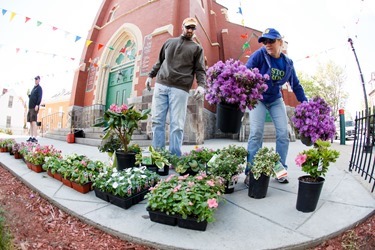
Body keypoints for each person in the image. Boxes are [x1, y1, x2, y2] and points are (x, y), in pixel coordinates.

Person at [244, 28, 308, 185]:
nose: (267, 44)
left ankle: (280, 170)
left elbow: (296, 85)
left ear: (280, 42)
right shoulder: (259, 55)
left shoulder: (287, 63)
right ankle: (251, 171)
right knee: (256, 132)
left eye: (271, 41)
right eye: (265, 41)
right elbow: (245, 71)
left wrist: (306, 104)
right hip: (258, 98)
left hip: (275, 99)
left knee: (283, 133)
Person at [145, 17, 206, 157]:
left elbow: (200, 70)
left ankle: (174, 158)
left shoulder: (197, 48)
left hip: (180, 89)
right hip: (161, 85)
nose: (190, 30)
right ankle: (158, 156)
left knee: (177, 125)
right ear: (182, 26)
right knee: (157, 121)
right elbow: (159, 62)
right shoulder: (169, 42)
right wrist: (150, 76)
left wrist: (201, 85)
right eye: (188, 27)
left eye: (193, 28)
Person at [27, 75, 43, 143]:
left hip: (34, 107)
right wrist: (29, 95)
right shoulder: (34, 88)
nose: (35, 80)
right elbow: (32, 97)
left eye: (37, 79)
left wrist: (37, 104)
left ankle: (35, 138)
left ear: (39, 80)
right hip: (30, 107)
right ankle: (31, 136)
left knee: (34, 122)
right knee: (30, 122)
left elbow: (39, 97)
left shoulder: (39, 88)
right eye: (35, 79)